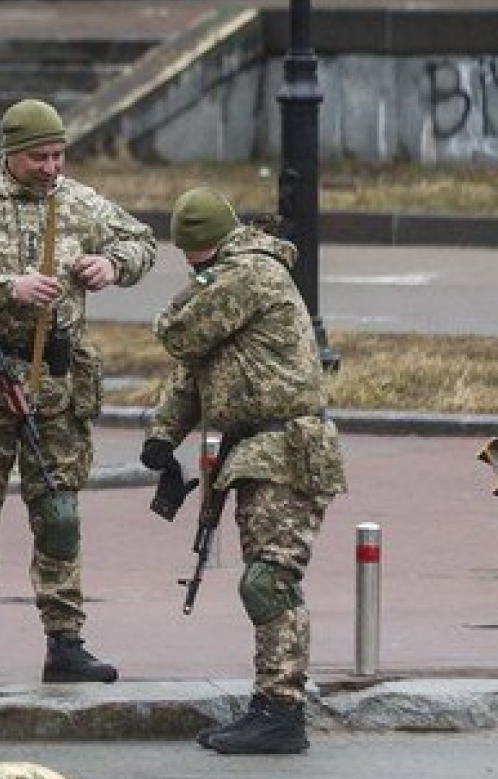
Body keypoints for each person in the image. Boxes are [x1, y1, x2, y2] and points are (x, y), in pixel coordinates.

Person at [0, 98, 158, 686]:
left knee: (59, 514)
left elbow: (144, 241)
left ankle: (66, 642)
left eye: (57, 154)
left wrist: (112, 263)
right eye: (37, 157)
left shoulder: (78, 202)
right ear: (9, 153)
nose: (51, 167)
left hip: (57, 388)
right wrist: (7, 287)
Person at [139, 186, 346, 755]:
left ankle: (281, 711)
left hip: (287, 448)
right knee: (264, 577)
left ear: (211, 245)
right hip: (256, 451)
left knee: (269, 580)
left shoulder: (250, 273)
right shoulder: (226, 280)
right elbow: (193, 365)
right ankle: (270, 703)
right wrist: (162, 436)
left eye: (195, 259)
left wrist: (197, 287)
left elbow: (177, 331)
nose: (193, 269)